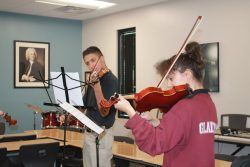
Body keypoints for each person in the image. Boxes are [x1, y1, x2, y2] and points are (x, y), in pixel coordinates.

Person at [114, 41, 218, 167]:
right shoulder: (207, 102)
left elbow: (154, 144)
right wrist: (156, 122)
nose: (168, 84)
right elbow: (186, 132)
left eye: (171, 78)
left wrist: (130, 112)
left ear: (187, 74)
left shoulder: (184, 107)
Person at [82, 46, 118, 167]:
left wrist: (96, 85)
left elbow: (104, 112)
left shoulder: (111, 80)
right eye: (87, 63)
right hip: (88, 134)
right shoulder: (94, 79)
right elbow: (84, 104)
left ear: (101, 58)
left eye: (93, 60)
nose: (91, 65)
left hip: (101, 136)